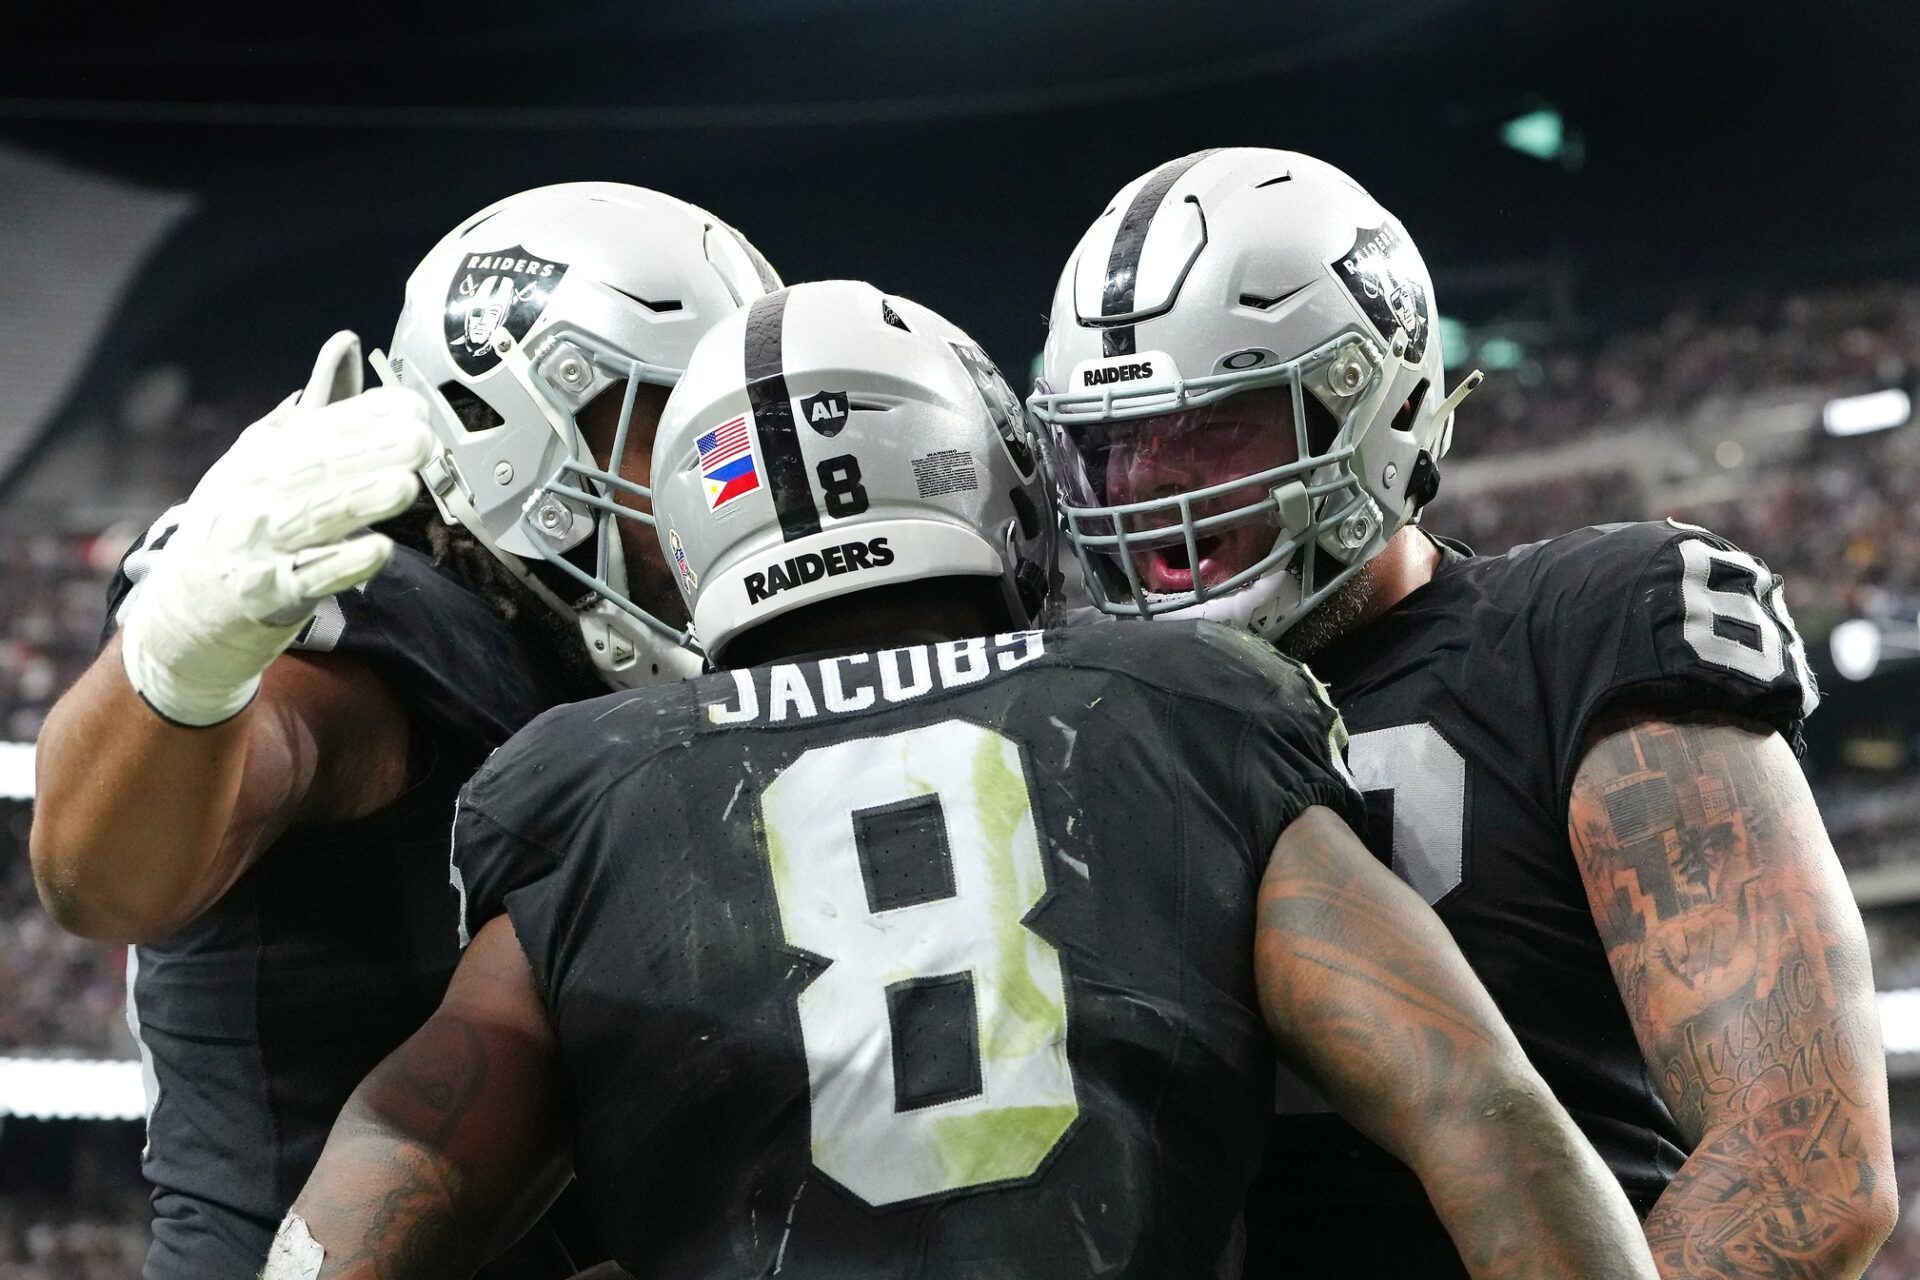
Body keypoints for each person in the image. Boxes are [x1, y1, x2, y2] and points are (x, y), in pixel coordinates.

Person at [269, 280, 1657, 1280]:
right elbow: (1482, 1111)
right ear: (989, 471)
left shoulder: (587, 781)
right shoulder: (1182, 706)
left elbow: (377, 1198)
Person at [1031, 146, 1897, 1278]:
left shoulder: (1577, 629)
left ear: (1372, 403)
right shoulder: (1082, 714)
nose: (1154, 490)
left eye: (1214, 429)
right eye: (1115, 447)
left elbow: (1808, 1161)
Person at [28, 182, 780, 1280]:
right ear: (525, 430)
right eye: (674, 432)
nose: (717, 480)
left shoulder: (572, 653)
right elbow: (103, 878)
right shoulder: (389, 625)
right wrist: (181, 676)